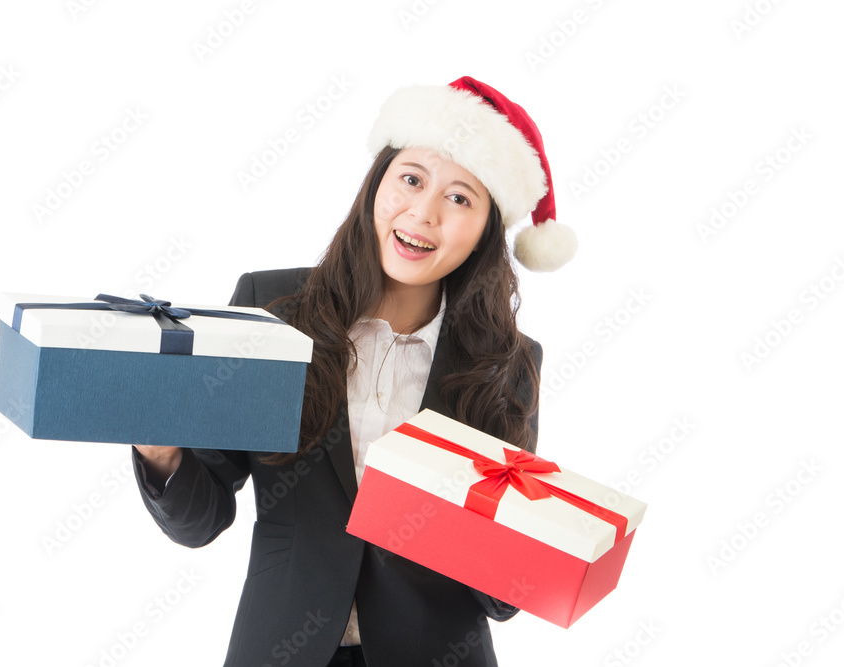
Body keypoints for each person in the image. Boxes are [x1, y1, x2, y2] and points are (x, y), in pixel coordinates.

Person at [132, 76, 578, 667]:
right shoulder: (274, 309)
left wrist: (533, 541)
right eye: (412, 179)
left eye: (460, 198)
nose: (423, 213)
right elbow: (202, 517)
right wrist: (160, 450)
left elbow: (500, 601)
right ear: (377, 183)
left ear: (484, 234)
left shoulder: (507, 362)